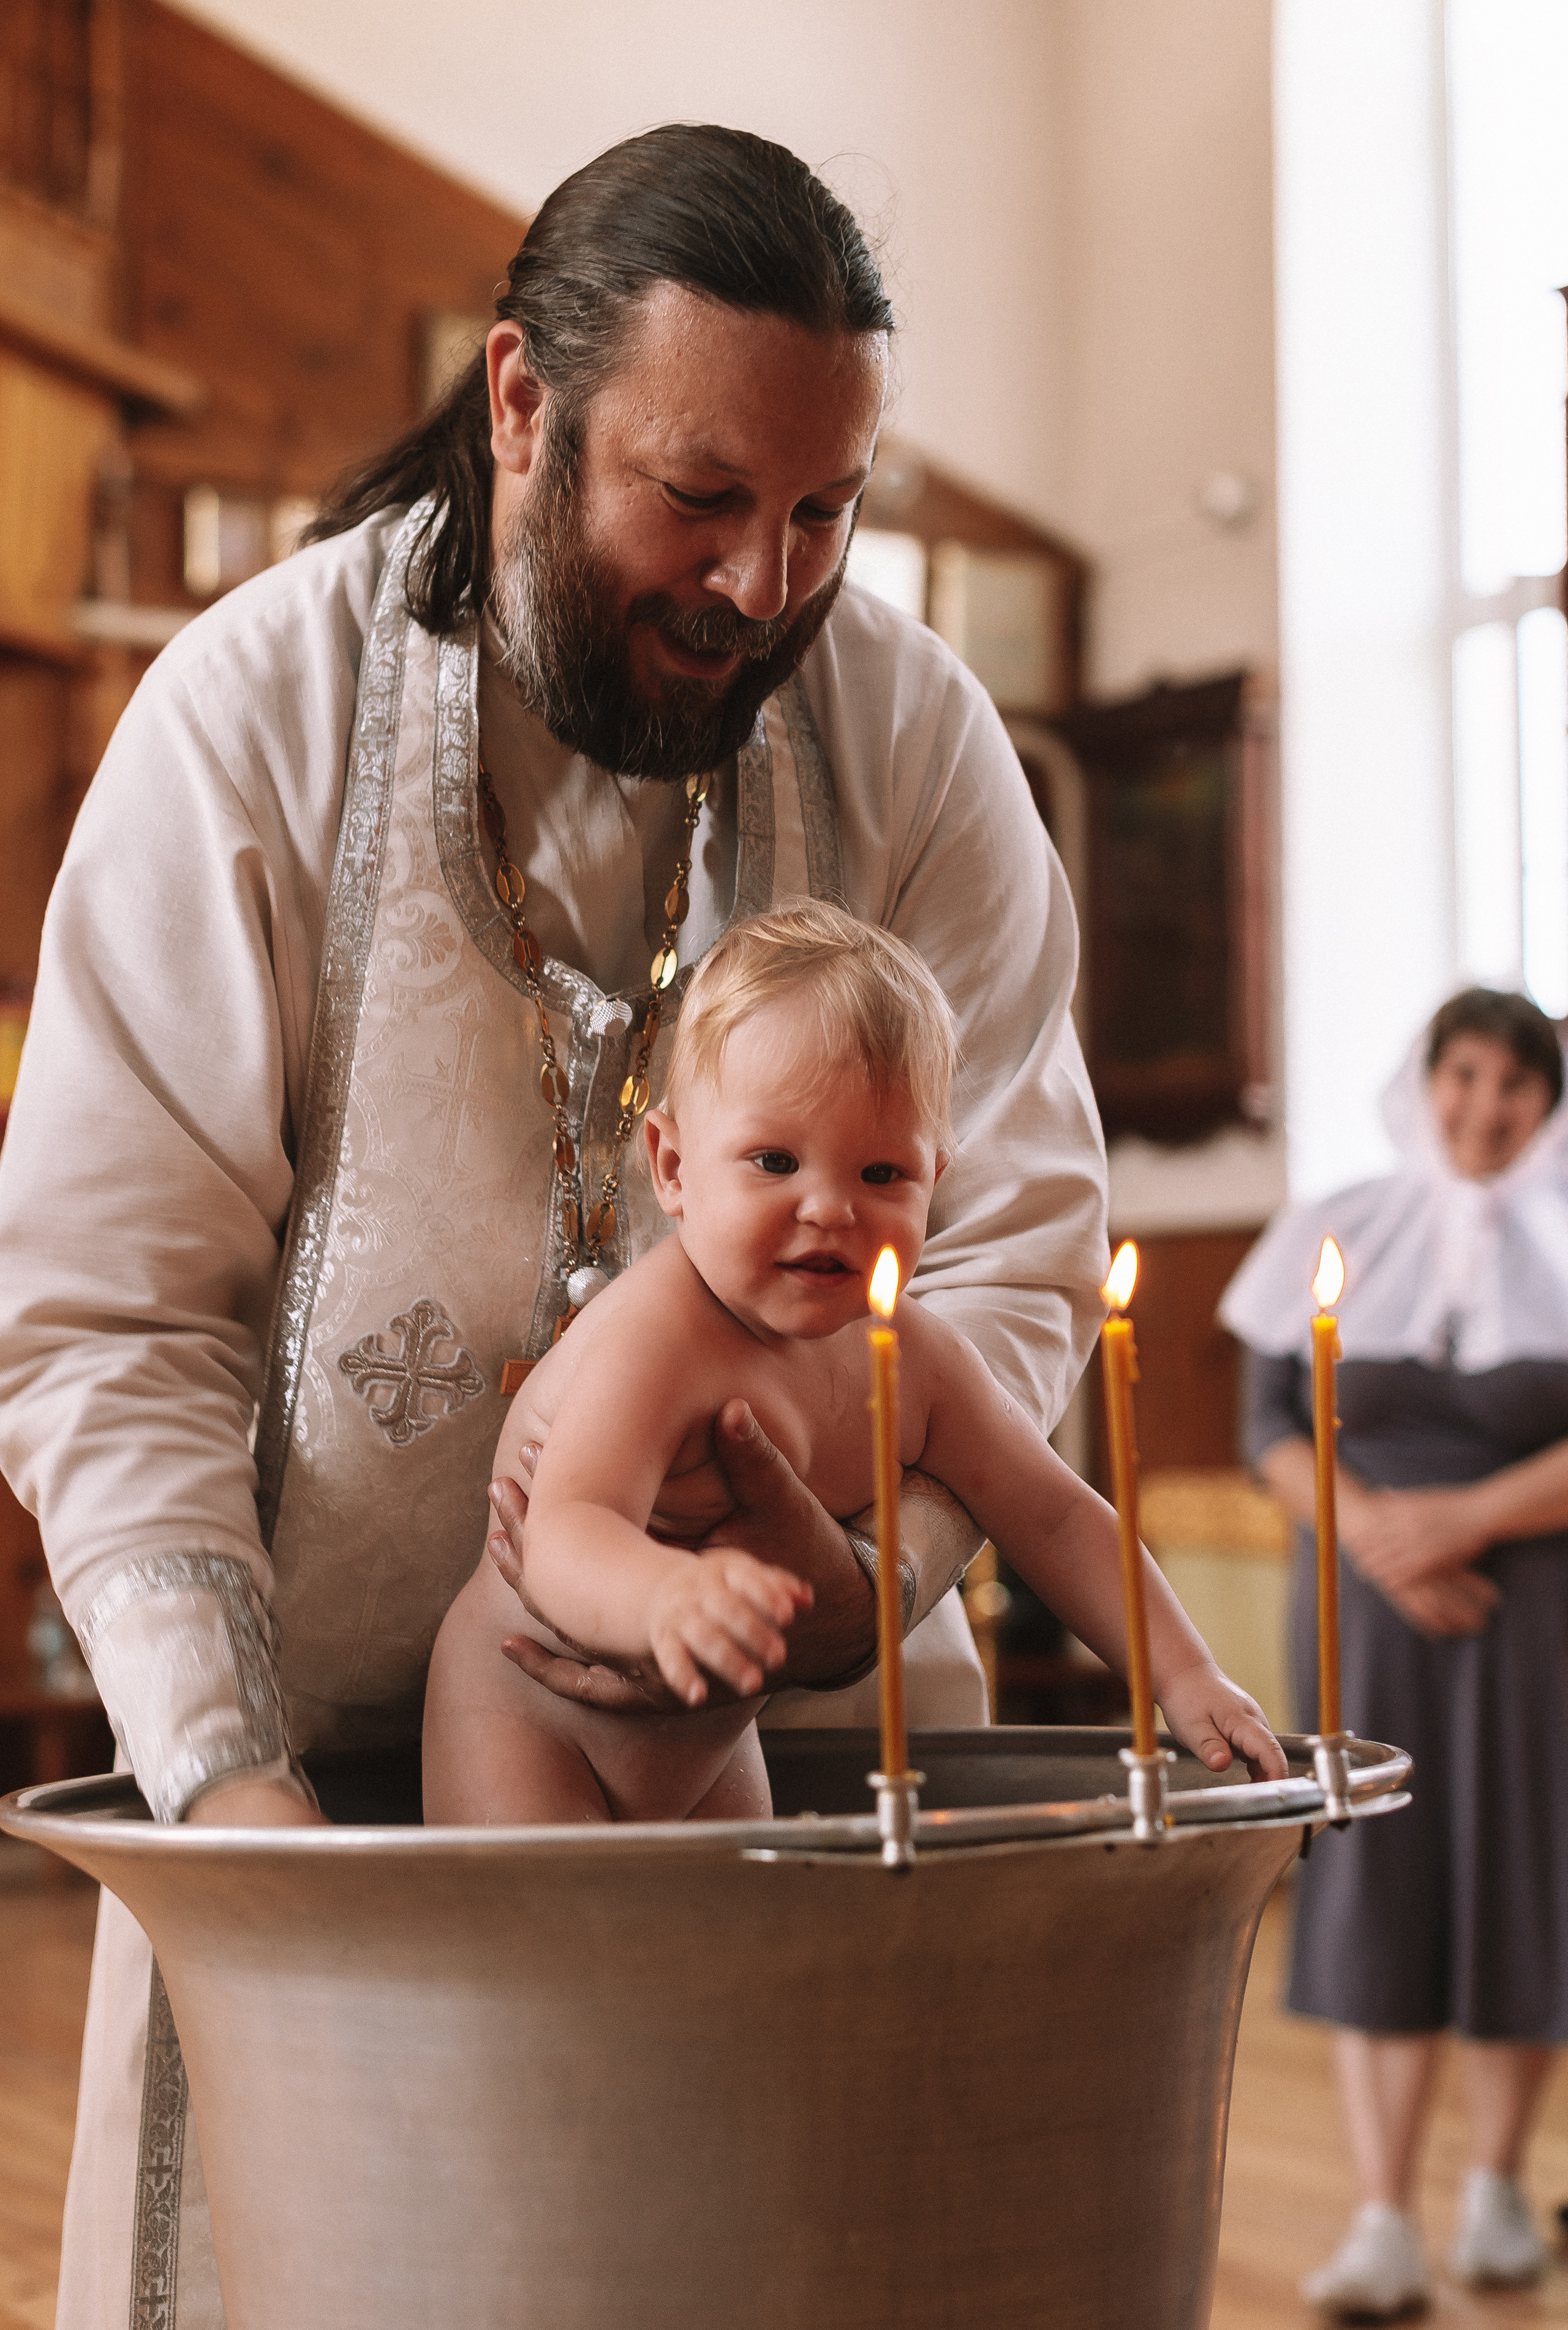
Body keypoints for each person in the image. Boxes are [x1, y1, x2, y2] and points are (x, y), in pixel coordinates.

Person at [0, 128, 1108, 2328]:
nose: (763, 585)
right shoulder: (253, 717)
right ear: (523, 403)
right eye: (698, 498)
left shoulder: (911, 738)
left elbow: (1012, 1250)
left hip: (802, 1793)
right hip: (323, 1819)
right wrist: (243, 1829)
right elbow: (113, 1319)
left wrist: (838, 1592)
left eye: (824, 510)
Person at [425, 905, 1283, 1825]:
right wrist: (664, 1595)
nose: (830, 1208)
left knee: (731, 1962)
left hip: (713, 1746)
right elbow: (559, 1534)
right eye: (775, 1161)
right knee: (553, 1962)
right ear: (673, 1165)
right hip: (529, 1721)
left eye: (881, 1175)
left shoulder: (915, 1362)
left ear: (935, 1178)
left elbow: (1059, 1518)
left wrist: (1186, 1673)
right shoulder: (655, 1335)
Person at [1221, 987, 1568, 2320]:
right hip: (1361, 1601)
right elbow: (1266, 1419)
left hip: (1530, 1606)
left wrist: (1464, 1520)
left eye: (1513, 1087)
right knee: (1381, 1879)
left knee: (1518, 1875)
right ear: (1421, 1080)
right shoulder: (1335, 1224)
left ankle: (1490, 2187)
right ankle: (1379, 2215)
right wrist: (1373, 1536)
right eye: (1462, 1076)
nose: (1482, 1109)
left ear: (1546, 1107)